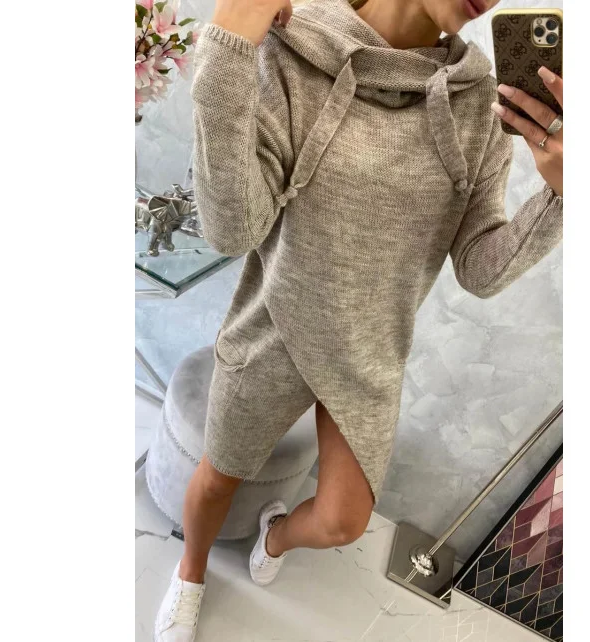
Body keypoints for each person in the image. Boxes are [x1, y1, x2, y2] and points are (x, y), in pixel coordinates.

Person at [154, 0, 563, 639]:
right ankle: (190, 572)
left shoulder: (476, 103)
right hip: (276, 329)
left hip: (371, 348)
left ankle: (275, 535)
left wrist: (562, 196)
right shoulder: (295, 46)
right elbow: (235, 230)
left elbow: (480, 271)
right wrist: (225, 60)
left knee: (344, 520)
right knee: (214, 482)